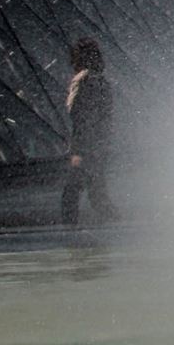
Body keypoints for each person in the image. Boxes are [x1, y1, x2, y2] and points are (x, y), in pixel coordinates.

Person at [61, 37, 117, 225]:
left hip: (86, 146)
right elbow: (105, 117)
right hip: (100, 145)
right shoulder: (102, 81)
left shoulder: (83, 80)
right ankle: (118, 224)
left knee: (72, 191)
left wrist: (77, 150)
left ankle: (70, 231)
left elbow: (80, 117)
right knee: (97, 192)